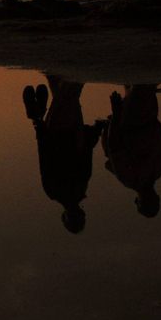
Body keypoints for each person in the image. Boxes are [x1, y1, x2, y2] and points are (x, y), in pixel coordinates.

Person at [23, 76, 102, 233]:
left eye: (74, 217)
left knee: (70, 91)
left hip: (65, 133)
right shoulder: (56, 191)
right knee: (66, 94)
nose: (76, 214)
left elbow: (48, 158)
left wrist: (95, 132)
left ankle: (65, 71)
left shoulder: (65, 190)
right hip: (61, 133)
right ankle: (54, 74)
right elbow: (46, 157)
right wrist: (40, 129)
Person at [99, 85, 161, 217]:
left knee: (141, 85)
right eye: (153, 202)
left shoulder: (128, 178)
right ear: (157, 198)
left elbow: (114, 145)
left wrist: (116, 112)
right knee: (144, 85)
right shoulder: (158, 171)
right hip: (150, 117)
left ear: (137, 201)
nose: (150, 198)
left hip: (131, 122)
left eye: (146, 202)